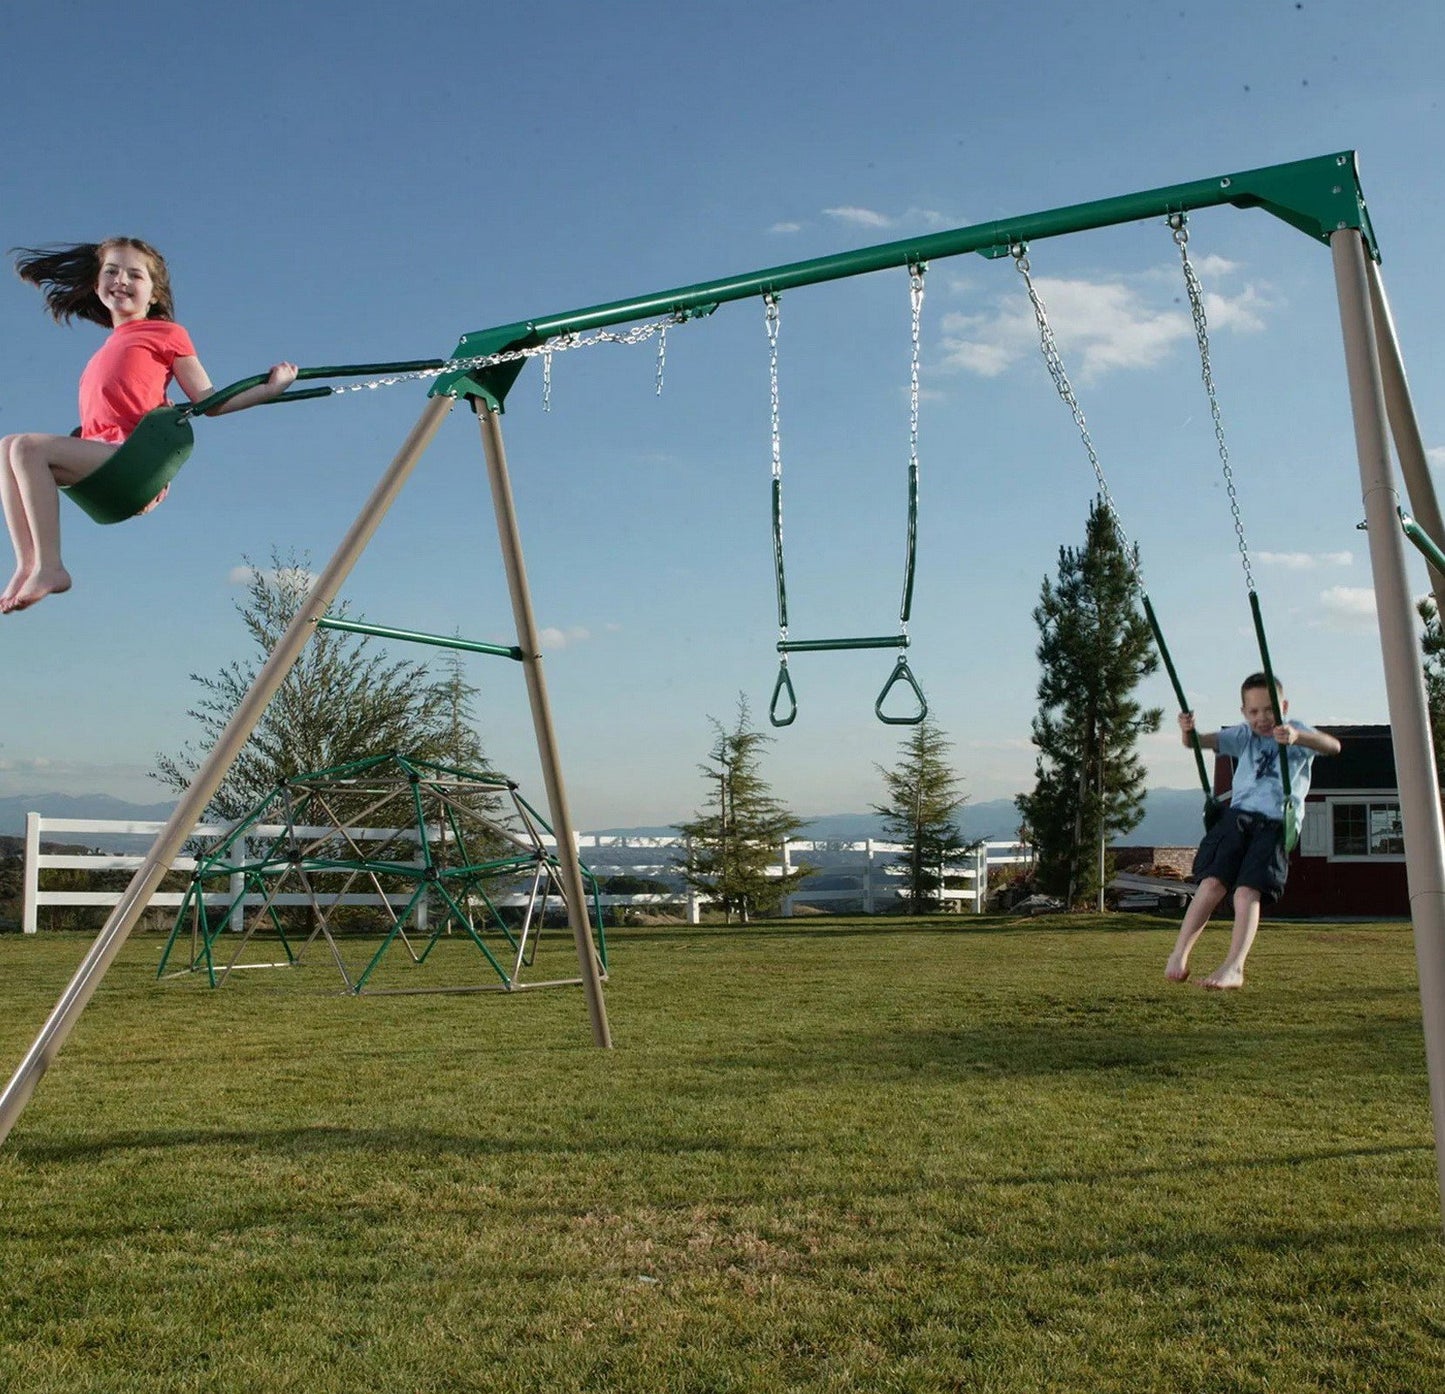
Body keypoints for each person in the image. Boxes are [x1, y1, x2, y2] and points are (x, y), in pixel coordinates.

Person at [2, 238, 297, 613]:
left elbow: (210, 401)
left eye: (135, 274)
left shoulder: (166, 333)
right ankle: (28, 565)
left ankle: (50, 566)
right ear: (97, 284)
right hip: (103, 464)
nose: (121, 280)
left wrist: (270, 389)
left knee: (27, 446)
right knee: (8, 446)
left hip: (135, 460)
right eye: (111, 271)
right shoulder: (105, 349)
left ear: (154, 294)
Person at [1164, 673, 1341, 990]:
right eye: (1254, 711)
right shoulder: (1244, 735)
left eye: (1270, 709)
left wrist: (1298, 737)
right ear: (1244, 712)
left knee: (1246, 892)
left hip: (1275, 821)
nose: (1262, 718)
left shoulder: (1295, 729)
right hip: (1237, 817)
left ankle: (1234, 967)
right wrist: (1187, 731)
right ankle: (1179, 954)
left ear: (1283, 707)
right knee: (1211, 884)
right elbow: (1195, 743)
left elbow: (1333, 746)